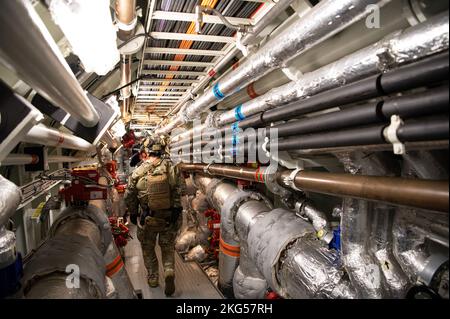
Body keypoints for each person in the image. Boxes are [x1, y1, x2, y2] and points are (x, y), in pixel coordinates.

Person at [124, 137, 185, 296]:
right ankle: (169, 270)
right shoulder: (172, 168)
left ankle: (152, 277)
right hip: (169, 218)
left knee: (148, 248)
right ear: (163, 149)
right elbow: (182, 191)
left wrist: (133, 212)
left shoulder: (138, 171)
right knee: (167, 247)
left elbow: (129, 195)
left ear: (146, 151)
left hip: (147, 219)